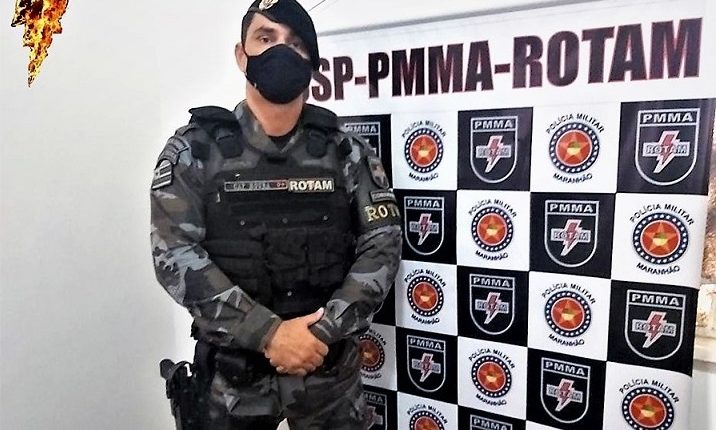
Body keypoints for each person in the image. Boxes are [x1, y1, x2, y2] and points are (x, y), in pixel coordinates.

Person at [150, 0, 402, 428]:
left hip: (328, 378)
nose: (281, 51)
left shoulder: (346, 151)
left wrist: (321, 332)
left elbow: (383, 243)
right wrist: (268, 334)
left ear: (312, 62)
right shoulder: (195, 151)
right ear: (241, 55)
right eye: (265, 38)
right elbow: (173, 253)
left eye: (296, 43)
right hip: (232, 384)